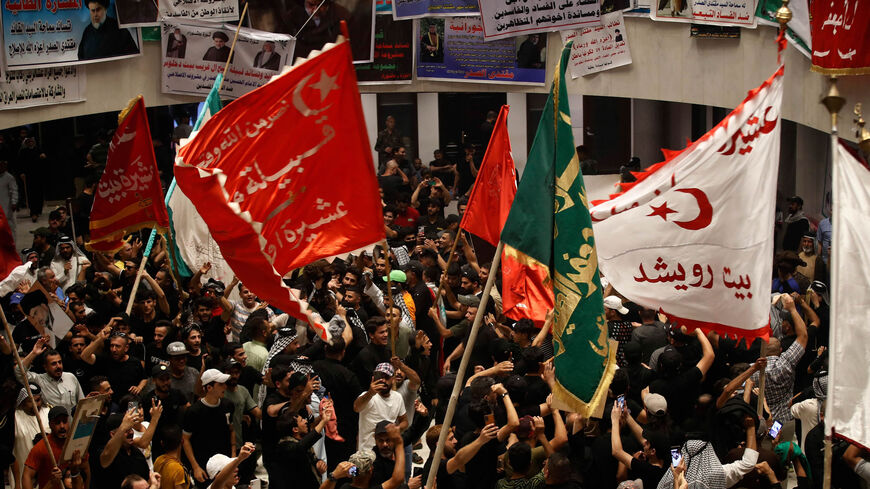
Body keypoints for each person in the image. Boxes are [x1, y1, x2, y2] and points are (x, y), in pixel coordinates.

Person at [183, 369, 235, 487]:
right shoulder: (194, 411)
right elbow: (185, 440)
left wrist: (233, 459)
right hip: (204, 465)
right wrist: (195, 467)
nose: (225, 387)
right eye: (220, 384)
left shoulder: (228, 405)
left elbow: (231, 430)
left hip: (225, 463)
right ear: (209, 387)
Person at [22, 406, 90, 489]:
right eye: (57, 422)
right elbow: (27, 475)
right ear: (50, 424)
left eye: (64, 422)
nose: (62, 426)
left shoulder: (77, 443)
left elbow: (86, 469)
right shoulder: (41, 447)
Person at [16, 337, 85, 412]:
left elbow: (82, 402)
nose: (58, 366)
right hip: (51, 423)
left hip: (73, 422)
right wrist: (34, 353)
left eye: (59, 362)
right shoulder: (39, 380)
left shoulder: (70, 377)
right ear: (45, 367)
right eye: (53, 364)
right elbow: (19, 372)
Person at [354, 363, 408, 451]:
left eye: (386, 377)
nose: (383, 380)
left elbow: (405, 421)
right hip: (367, 451)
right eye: (379, 377)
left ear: (393, 379)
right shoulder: (367, 396)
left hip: (388, 450)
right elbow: (356, 407)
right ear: (374, 378)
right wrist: (370, 393)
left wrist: (396, 429)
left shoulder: (397, 397)